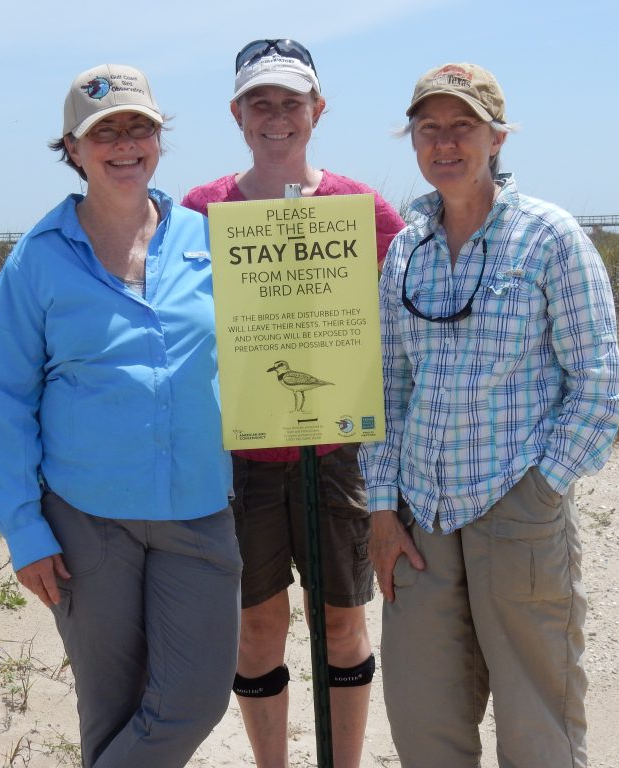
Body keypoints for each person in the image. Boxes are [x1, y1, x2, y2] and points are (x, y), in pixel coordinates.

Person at [359, 63, 619, 768]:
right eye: (430, 129)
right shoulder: (405, 253)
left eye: (463, 127)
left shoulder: (550, 238)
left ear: (497, 138)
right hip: (420, 518)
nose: (445, 143)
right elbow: (388, 387)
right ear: (413, 141)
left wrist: (540, 491)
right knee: (424, 725)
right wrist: (382, 509)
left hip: (516, 511)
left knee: (536, 725)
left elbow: (600, 387)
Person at [0, 64, 241, 768]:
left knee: (193, 698)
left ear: (159, 139)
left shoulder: (211, 242)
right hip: (86, 520)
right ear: (73, 148)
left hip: (198, 511)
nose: (124, 145)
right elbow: (3, 400)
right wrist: (24, 530)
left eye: (139, 128)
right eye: (104, 133)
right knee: (112, 705)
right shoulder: (37, 260)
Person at [182, 39, 405, 768]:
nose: (276, 117)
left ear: (318, 109)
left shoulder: (361, 210)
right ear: (237, 113)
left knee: (343, 622)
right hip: (240, 460)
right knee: (256, 628)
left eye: (291, 102)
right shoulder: (200, 211)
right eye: (260, 102)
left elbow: (401, 317)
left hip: (339, 453)